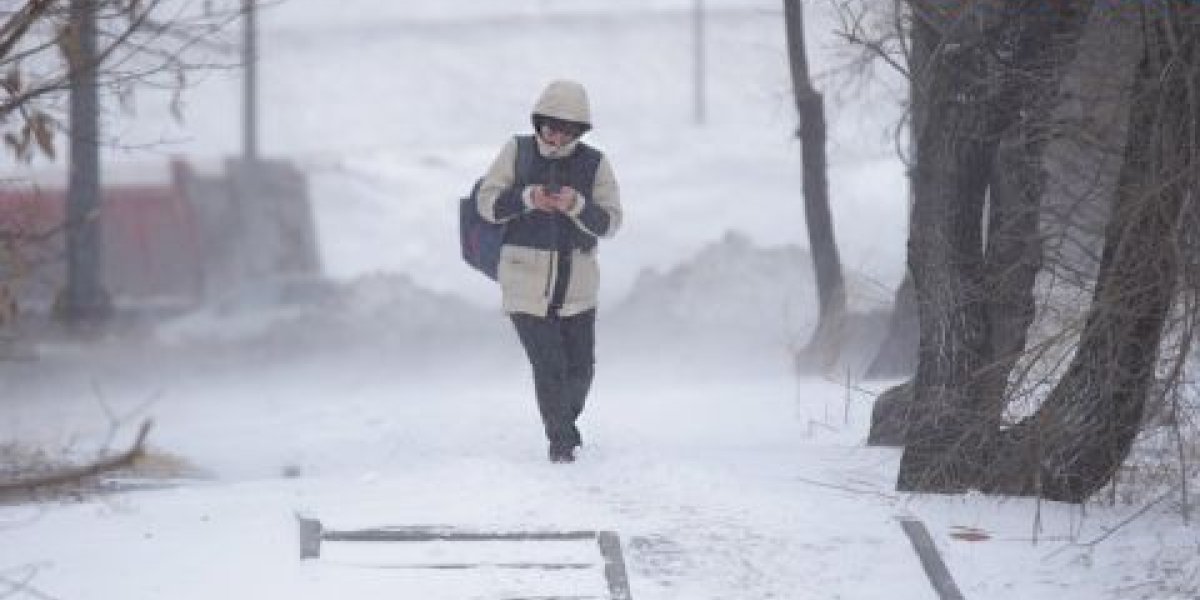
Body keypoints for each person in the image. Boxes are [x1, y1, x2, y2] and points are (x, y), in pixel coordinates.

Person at [475, 80, 623, 464]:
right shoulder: (517, 151)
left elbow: (611, 223)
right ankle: (562, 447)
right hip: (524, 284)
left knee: (581, 371)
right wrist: (528, 198)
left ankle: (564, 426)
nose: (556, 137)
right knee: (549, 366)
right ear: (538, 122)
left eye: (567, 130)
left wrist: (577, 205)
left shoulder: (595, 163)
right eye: (551, 127)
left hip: (578, 287)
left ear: (579, 131)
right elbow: (486, 203)